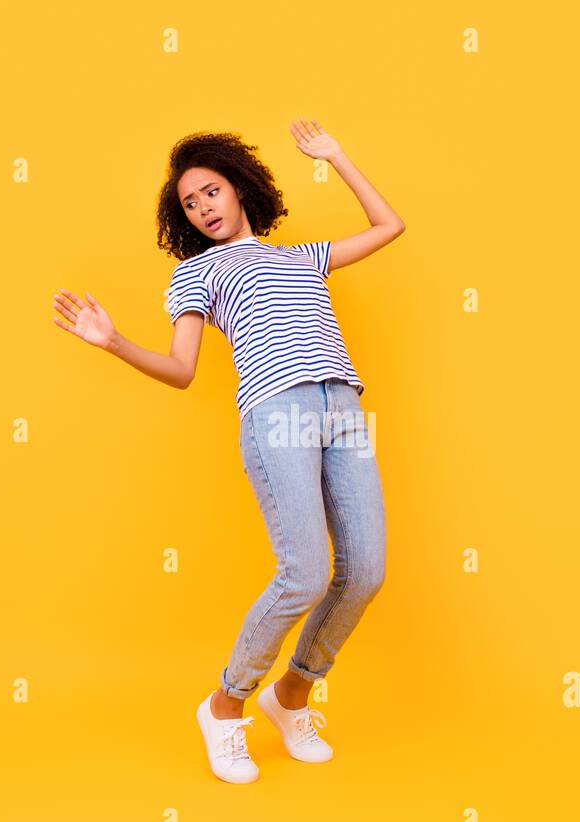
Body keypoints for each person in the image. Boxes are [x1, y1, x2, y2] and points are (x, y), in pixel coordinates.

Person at [51, 119, 405, 784]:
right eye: (190, 203)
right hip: (277, 413)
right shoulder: (198, 272)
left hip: (344, 409)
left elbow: (389, 226)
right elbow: (183, 369)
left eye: (212, 191)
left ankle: (292, 696)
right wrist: (114, 341)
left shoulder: (299, 257)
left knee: (366, 572)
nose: (204, 207)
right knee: (302, 572)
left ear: (240, 190)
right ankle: (226, 706)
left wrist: (337, 157)